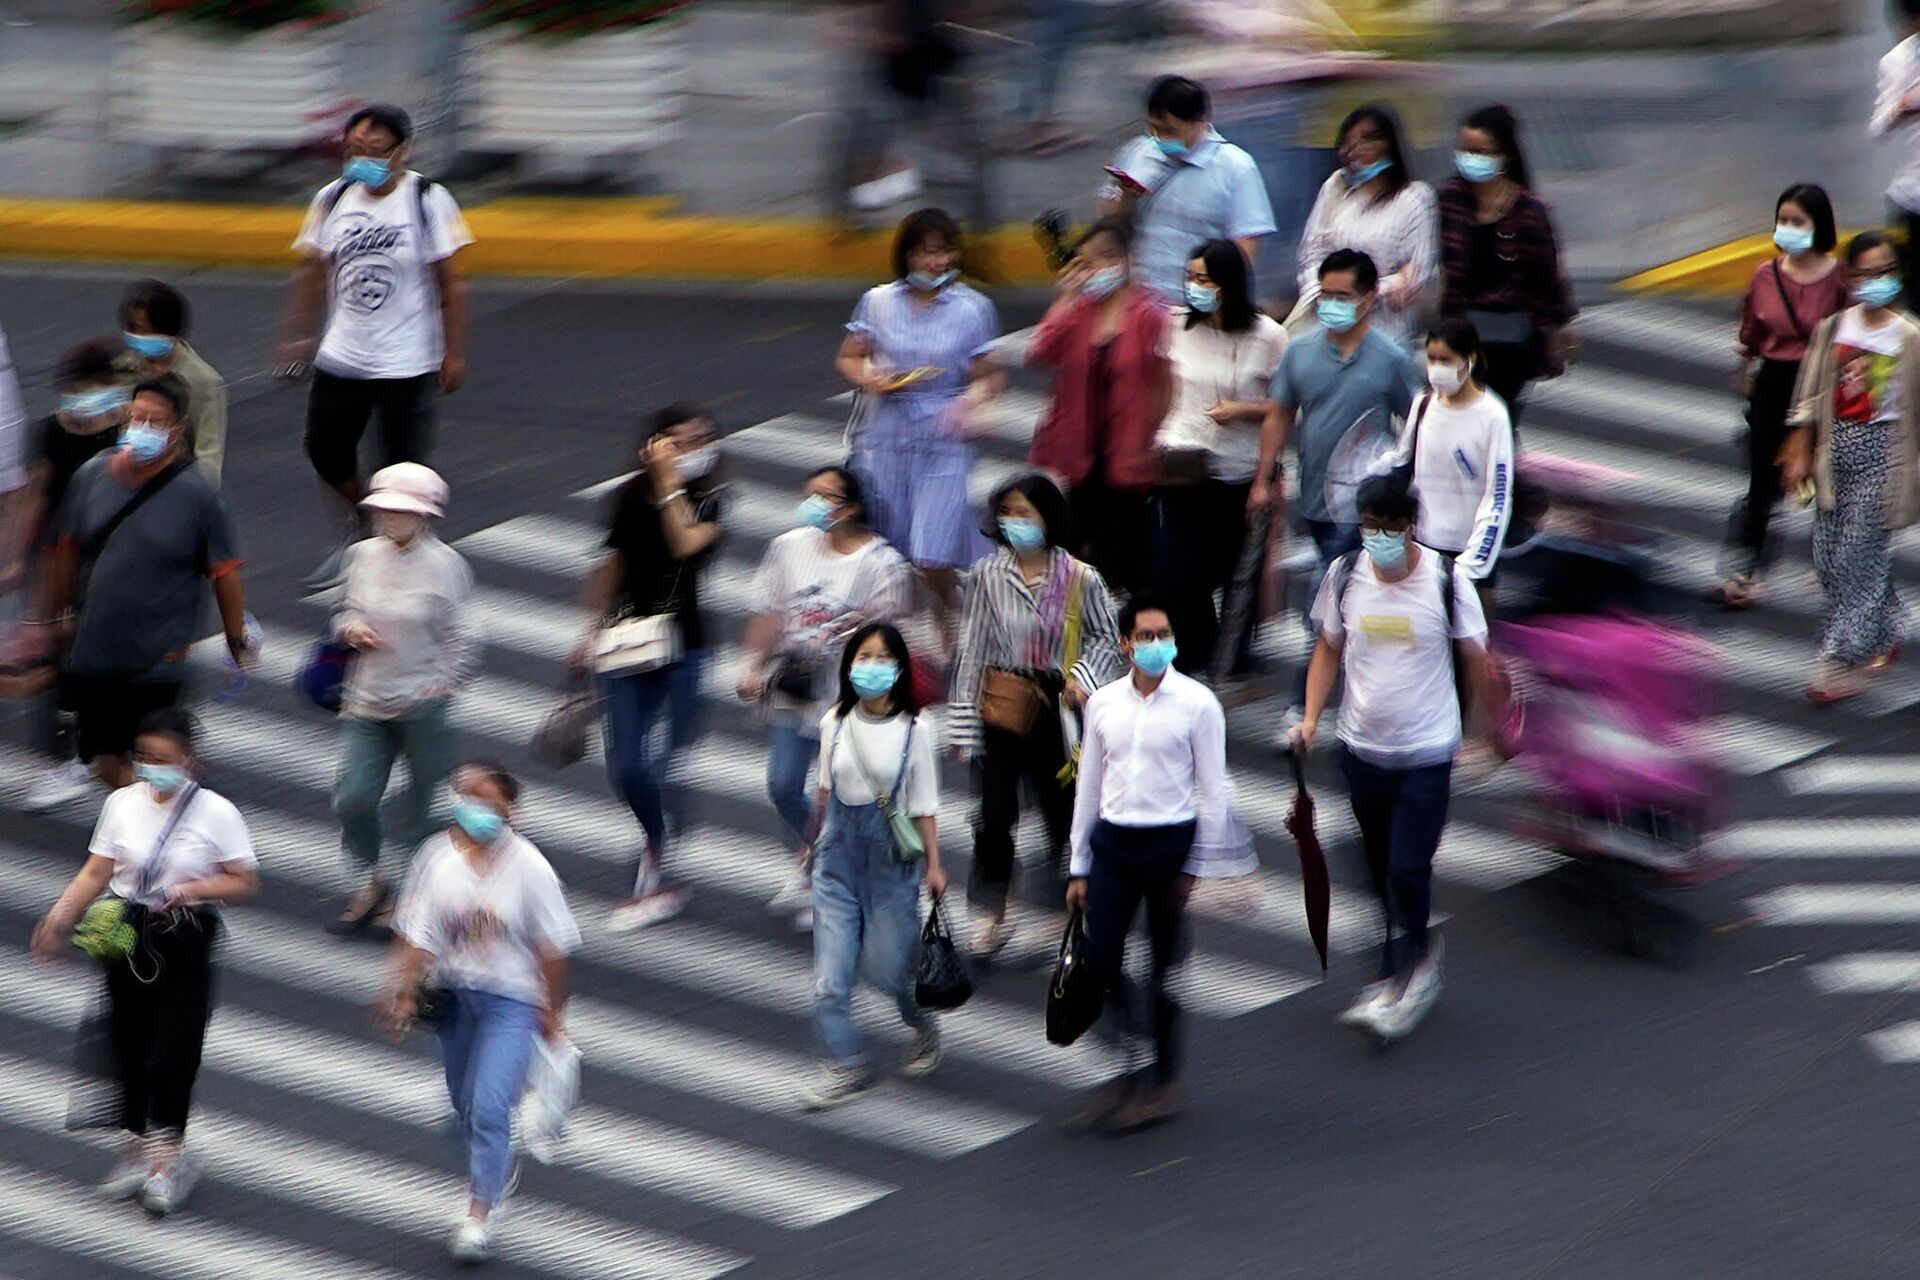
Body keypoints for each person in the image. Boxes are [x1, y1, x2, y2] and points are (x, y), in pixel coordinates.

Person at [30, 709, 261, 1217]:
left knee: (173, 1051)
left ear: (189, 761)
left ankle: (167, 1161)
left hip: (185, 938)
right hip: (126, 934)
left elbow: (244, 881)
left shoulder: (217, 813)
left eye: (163, 760)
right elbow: (98, 869)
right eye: (144, 759)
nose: (152, 770)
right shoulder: (122, 803)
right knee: (126, 1043)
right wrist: (58, 919)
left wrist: (195, 889)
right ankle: (134, 1151)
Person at [1292, 473, 1492, 1041]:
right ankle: (1412, 947)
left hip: (1427, 752)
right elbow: (1328, 647)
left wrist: (1483, 733)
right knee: (1378, 865)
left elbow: (1476, 661)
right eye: (1370, 526)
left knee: (1407, 864)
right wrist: (1309, 717)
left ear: (1413, 527)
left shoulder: (1447, 582)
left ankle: (1400, 972)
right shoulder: (1345, 575)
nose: (1378, 537)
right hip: (1361, 749)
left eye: (1390, 527)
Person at [379, 760, 580, 1264]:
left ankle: (479, 1212)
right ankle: (494, 1163)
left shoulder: (530, 868)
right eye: (465, 794)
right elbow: (416, 931)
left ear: (509, 810)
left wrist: (552, 1013)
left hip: (511, 1001)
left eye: (486, 800)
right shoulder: (437, 858)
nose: (473, 808)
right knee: (463, 1105)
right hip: (454, 998)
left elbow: (554, 951)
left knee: (491, 1106)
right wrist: (402, 988)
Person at [281, 104, 474, 584]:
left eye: (375, 150)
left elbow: (452, 284)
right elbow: (311, 269)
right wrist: (298, 334)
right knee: (325, 448)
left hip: (406, 363)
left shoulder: (428, 199)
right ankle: (360, 530)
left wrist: (454, 352)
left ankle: (402, 563)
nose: (362, 159)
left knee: (402, 471)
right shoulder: (333, 197)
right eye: (353, 150)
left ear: (402, 151)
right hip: (343, 356)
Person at [1064, 595, 1231, 1133]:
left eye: (1164, 635)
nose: (1156, 645)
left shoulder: (1198, 704)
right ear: (1125, 644)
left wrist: (1198, 863)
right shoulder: (1104, 704)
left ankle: (1161, 1080)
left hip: (1170, 846)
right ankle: (1131, 1052)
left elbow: (1214, 791)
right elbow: (1088, 785)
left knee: (1164, 970)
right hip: (1114, 844)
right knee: (1099, 961)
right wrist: (1078, 864)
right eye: (1145, 636)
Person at [42, 376, 252, 792]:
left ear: (176, 429)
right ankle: (148, 820)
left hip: (158, 658)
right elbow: (65, 549)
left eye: (155, 422)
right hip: (95, 650)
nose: (143, 429)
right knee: (101, 756)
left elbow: (224, 572)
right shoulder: (91, 477)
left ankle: (153, 830)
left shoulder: (199, 495)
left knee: (152, 755)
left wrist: (235, 637)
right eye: (137, 418)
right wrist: (59, 614)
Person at [948, 474, 1123, 953]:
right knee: (993, 815)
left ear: (1049, 517)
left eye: (1026, 512)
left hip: (1060, 709)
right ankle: (992, 910)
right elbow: (973, 647)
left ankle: (1058, 905)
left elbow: (1107, 639)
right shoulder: (987, 574)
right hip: (1002, 702)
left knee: (1061, 813)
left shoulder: (1081, 578)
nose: (1016, 523)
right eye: (1008, 513)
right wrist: (963, 726)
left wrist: (1082, 679)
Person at [740, 467, 918, 927]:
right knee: (783, 784)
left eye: (827, 496)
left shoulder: (882, 565)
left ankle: (834, 877)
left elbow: (893, 638)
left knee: (839, 794)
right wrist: (752, 665)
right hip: (794, 686)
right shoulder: (788, 548)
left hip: (848, 696)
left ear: (852, 507)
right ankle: (816, 862)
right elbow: (769, 610)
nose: (815, 504)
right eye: (811, 493)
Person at [575, 405, 726, 933]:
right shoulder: (624, 498)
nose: (695, 448)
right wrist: (586, 633)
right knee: (625, 766)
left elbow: (686, 545)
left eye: (703, 440)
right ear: (655, 443)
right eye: (682, 441)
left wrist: (667, 484)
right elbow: (610, 562)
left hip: (685, 647)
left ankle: (657, 860)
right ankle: (658, 833)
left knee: (664, 764)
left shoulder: (709, 502)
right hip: (624, 643)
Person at [1254, 249, 1421, 712]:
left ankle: (1302, 705)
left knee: (1323, 600)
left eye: (1342, 296)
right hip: (1315, 501)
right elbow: (1280, 413)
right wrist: (1264, 478)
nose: (1331, 304)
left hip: (1362, 509)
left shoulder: (1390, 359)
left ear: (1369, 299)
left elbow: (1416, 421)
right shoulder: (1301, 351)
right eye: (1324, 295)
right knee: (1341, 603)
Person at [798, 623, 946, 1109]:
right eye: (863, 656)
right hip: (837, 864)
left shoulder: (916, 730)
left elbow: (924, 804)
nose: (872, 666)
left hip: (891, 867)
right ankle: (845, 1064)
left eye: (882, 657)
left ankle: (921, 1024)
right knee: (830, 980)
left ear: (899, 667)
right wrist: (810, 844)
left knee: (887, 972)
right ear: (849, 666)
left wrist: (934, 866)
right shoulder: (833, 723)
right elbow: (824, 788)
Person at [835, 208, 1004, 631]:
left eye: (945, 252)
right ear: (908, 254)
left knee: (933, 549)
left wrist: (973, 403)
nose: (938, 262)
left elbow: (989, 376)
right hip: (887, 436)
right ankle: (901, 632)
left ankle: (949, 601)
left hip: (943, 438)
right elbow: (850, 357)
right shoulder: (878, 303)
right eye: (929, 252)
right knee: (892, 547)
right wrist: (874, 380)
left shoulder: (972, 309)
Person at [327, 463, 476, 938]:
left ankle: (409, 893)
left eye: (402, 512)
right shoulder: (363, 556)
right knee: (353, 798)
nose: (391, 520)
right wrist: (350, 628)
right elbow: (344, 610)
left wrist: (441, 684)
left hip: (423, 707)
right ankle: (371, 878)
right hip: (366, 701)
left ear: (425, 517)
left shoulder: (446, 566)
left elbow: (463, 636)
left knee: (419, 806)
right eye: (385, 510)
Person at [1781, 232, 1920, 703]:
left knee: (1855, 557)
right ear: (1851, 277)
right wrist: (1800, 442)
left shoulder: (1909, 338)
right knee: (1827, 561)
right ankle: (1887, 623)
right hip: (1834, 454)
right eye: (1865, 273)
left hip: (1884, 458)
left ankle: (1837, 660)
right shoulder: (1834, 328)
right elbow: (1809, 394)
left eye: (1884, 272)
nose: (1874, 281)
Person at [1154, 238, 1289, 674]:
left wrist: (1243, 412)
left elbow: (1284, 406)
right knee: (1176, 571)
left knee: (1235, 573)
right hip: (1183, 467)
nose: (1194, 287)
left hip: (1239, 472)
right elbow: (1164, 389)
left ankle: (1232, 658)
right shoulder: (1175, 326)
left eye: (1204, 279)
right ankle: (1194, 653)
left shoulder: (1268, 336)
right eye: (1189, 278)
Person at [1710, 185, 1847, 610]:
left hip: (1821, 386)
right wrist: (1748, 369)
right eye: (1782, 220)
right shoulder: (1765, 276)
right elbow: (1751, 331)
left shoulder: (1839, 279)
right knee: (1762, 482)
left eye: (1797, 222)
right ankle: (1745, 570)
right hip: (1774, 383)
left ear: (1818, 226)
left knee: (1827, 480)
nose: (1787, 229)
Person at [1025, 215, 1174, 596]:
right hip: (1082, 459)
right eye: (1088, 261)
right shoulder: (1078, 312)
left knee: (1132, 561)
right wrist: (1065, 297)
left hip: (1132, 459)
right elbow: (1039, 353)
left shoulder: (1152, 315)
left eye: (1107, 257)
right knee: (1081, 562)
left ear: (1129, 259)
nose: (1097, 268)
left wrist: (1157, 439)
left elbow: (1167, 385)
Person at [13, 341, 131, 812]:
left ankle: (116, 747)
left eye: (97, 388)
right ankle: (64, 758)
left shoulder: (129, 431)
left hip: (118, 559)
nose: (85, 397)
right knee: (61, 659)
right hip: (64, 561)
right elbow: (38, 492)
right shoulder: (53, 432)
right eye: (79, 389)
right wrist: (19, 556)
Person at [1437, 104, 1577, 427]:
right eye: (1465, 150)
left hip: (1512, 341)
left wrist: (1563, 325)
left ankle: (1501, 474)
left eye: (1480, 151)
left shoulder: (1528, 210)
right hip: (1461, 334)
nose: (1471, 159)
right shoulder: (1449, 200)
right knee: (1458, 419)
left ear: (1505, 156)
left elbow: (1548, 274)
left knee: (1496, 420)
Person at [1098, 75, 1277, 302]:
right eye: (1153, 127)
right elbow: (1109, 220)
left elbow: (1246, 243)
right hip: (1140, 297)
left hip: (1195, 300)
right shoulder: (1137, 152)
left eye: (1170, 130)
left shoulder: (1236, 166)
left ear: (1199, 121)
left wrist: (1220, 299)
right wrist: (1126, 198)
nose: (1159, 137)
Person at [1378, 318, 1515, 605]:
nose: (1437, 368)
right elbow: (1402, 460)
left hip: (1467, 551)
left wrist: (1472, 566)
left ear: (1470, 360)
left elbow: (1498, 497)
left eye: (1446, 360)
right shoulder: (1423, 404)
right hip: (1424, 547)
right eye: (1431, 359)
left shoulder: (1493, 416)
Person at [1294, 104, 1437, 345]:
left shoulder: (1414, 198)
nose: (1358, 150)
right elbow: (1312, 251)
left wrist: (1362, 294)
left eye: (1369, 140)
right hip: (1327, 326)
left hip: (1385, 332)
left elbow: (1415, 275)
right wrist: (1327, 294)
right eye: (1350, 143)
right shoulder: (1335, 188)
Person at [114, 279, 228, 483]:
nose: (138, 336)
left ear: (168, 329)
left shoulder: (203, 381)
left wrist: (201, 499)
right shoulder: (120, 369)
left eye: (145, 330)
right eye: (132, 329)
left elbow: (208, 453)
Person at [1873, 0, 1920, 301]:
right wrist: (1902, 107)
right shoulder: (1898, 61)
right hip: (1914, 197)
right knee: (1914, 293)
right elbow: (1877, 128)